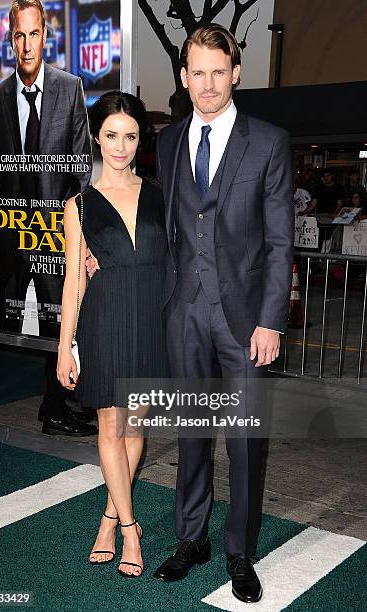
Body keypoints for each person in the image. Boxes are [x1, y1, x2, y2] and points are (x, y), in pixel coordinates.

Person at [153, 25, 293, 604]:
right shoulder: (165, 144)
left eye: (218, 71)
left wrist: (271, 320)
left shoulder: (268, 141)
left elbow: (281, 243)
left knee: (242, 442)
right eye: (196, 73)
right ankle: (192, 539)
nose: (207, 84)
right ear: (183, 79)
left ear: (236, 73)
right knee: (190, 435)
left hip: (245, 322)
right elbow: (159, 229)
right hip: (184, 315)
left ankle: (239, 550)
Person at [0, 0, 95, 436]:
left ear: (46, 36)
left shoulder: (71, 88)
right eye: (18, 35)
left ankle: (55, 405)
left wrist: (82, 237)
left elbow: (80, 170)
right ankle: (51, 405)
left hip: (57, 235)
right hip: (11, 237)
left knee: (59, 322)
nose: (26, 44)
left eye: (34, 34)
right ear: (9, 40)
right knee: (11, 321)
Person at [57, 91, 168, 578]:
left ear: (139, 140)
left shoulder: (160, 193)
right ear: (96, 138)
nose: (120, 146)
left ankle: (107, 514)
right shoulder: (78, 205)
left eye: (130, 136)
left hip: (149, 317)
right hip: (103, 319)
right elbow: (72, 281)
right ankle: (128, 529)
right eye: (111, 136)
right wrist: (64, 348)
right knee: (109, 427)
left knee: (135, 427)